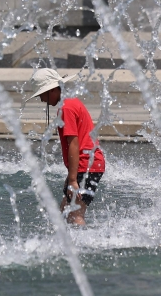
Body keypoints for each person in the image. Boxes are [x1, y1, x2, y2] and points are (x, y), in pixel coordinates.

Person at [25, 68, 105, 226]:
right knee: (64, 213)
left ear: (53, 89)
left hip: (86, 165)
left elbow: (73, 144)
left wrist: (73, 179)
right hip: (88, 164)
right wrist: (71, 176)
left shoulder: (66, 109)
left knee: (74, 216)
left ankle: (83, 248)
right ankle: (70, 245)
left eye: (42, 94)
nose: (42, 100)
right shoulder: (71, 102)